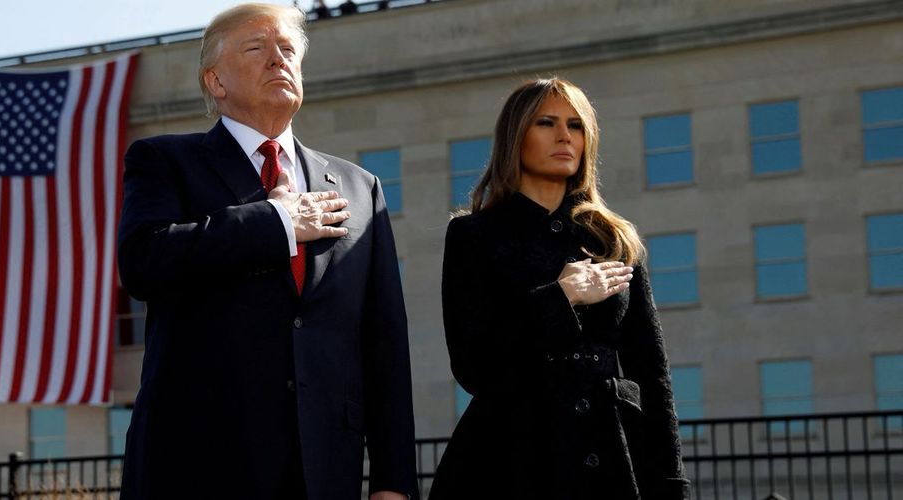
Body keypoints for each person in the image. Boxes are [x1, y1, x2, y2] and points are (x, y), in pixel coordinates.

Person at [117, 4, 417, 499]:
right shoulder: (165, 161)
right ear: (215, 81)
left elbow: (383, 340)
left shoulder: (360, 187)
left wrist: (394, 481)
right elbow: (143, 263)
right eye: (257, 48)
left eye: (288, 50)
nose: (279, 59)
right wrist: (275, 222)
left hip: (322, 469)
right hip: (197, 462)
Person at [429, 78, 690, 499]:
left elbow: (652, 372)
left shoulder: (614, 238)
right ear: (516, 136)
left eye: (576, 125)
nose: (565, 136)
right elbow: (473, 366)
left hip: (613, 459)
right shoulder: (473, 236)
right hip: (511, 460)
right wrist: (558, 298)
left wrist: (671, 484)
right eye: (546, 123)